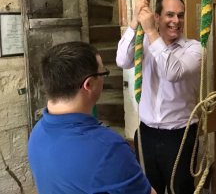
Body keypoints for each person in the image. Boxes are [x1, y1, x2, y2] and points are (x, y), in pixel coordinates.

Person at [28, 42, 154, 194]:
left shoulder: (37, 133)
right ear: (88, 84)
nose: (103, 78)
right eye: (103, 73)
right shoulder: (109, 149)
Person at [116, 0, 202, 194]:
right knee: (147, 189)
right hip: (146, 133)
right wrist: (135, 21)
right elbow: (121, 60)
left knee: (180, 190)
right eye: (170, 15)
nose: (176, 21)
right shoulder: (144, 44)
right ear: (157, 17)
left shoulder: (194, 49)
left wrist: (151, 32)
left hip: (179, 135)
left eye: (180, 15)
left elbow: (173, 72)